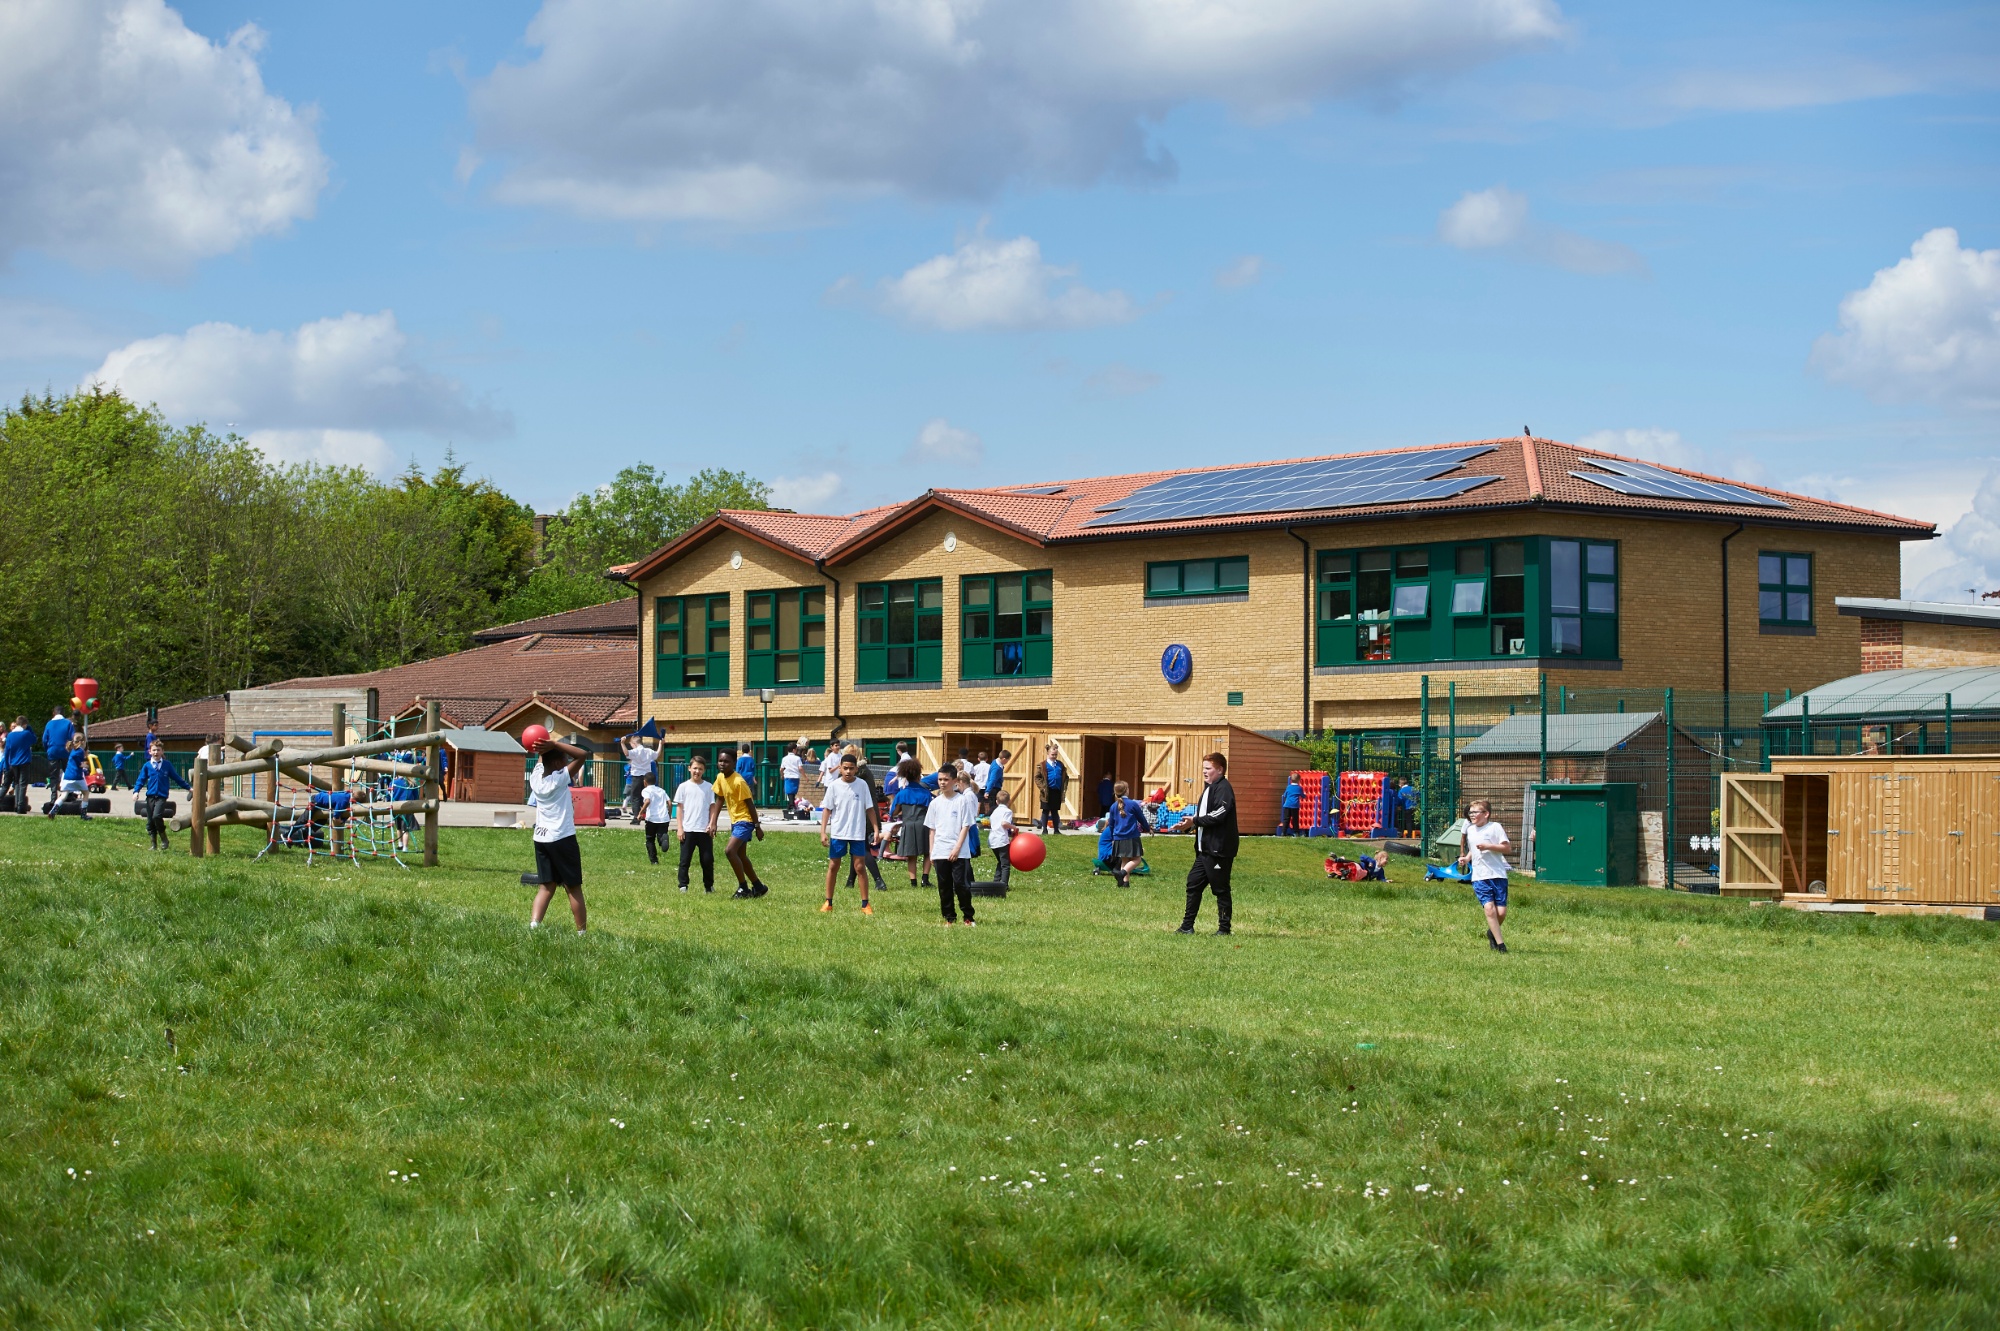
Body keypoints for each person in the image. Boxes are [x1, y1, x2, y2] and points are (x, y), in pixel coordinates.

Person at [522, 733, 590, 933]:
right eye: (565, 760)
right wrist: (552, 743)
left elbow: (544, 760)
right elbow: (583, 755)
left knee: (546, 886)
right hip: (562, 837)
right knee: (573, 887)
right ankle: (581, 933)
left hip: (541, 838)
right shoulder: (560, 779)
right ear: (560, 763)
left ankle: (534, 926)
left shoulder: (536, 778)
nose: (568, 762)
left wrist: (543, 748)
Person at [1177, 752, 1238, 936]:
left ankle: (1224, 929)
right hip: (1204, 851)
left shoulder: (1224, 788)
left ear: (1220, 770)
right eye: (1203, 768)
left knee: (1220, 889)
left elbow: (1219, 814)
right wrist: (1189, 825)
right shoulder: (1209, 788)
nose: (1204, 772)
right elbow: (1204, 818)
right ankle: (1187, 926)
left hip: (1219, 850)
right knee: (1193, 884)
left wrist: (1194, 820)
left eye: (1208, 768)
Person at [819, 751, 880, 914]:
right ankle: (828, 901)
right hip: (839, 833)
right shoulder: (833, 786)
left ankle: (865, 904)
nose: (848, 771)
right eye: (845, 768)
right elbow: (827, 810)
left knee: (860, 867)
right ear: (839, 768)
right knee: (834, 865)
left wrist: (876, 829)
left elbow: (870, 809)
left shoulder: (862, 785)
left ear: (855, 769)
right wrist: (823, 831)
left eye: (851, 768)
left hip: (857, 834)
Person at [1457, 799, 1513, 952]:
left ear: (1486, 814)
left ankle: (1492, 932)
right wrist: (1467, 858)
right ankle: (1501, 945)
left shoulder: (1495, 827)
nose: (1472, 815)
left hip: (1498, 875)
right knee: (1489, 909)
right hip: (1480, 876)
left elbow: (1507, 848)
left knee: (1500, 912)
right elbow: (1474, 850)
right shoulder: (1470, 830)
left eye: (1475, 812)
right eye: (1471, 812)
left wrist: (1489, 846)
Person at [924, 766, 977, 926]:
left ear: (955, 781)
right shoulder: (935, 803)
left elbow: (965, 826)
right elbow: (932, 830)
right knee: (944, 886)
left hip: (958, 852)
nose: (942, 782)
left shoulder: (961, 801)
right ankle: (949, 917)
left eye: (946, 779)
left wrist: (957, 848)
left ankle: (968, 916)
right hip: (940, 850)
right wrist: (932, 851)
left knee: (961, 885)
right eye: (940, 779)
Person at [715, 746, 769, 899]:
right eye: (720, 761)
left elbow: (750, 805)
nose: (722, 764)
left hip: (745, 821)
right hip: (735, 821)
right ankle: (758, 886)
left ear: (734, 763)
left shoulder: (739, 781)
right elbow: (719, 799)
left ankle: (743, 888)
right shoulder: (720, 777)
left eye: (726, 761)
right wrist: (713, 822)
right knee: (741, 855)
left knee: (729, 851)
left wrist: (757, 826)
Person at [133, 740, 189, 850]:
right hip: (150, 796)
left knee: (157, 816)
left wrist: (188, 787)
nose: (156, 752)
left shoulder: (167, 765)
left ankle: (164, 839)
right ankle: (153, 844)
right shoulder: (147, 766)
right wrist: (136, 791)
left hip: (162, 796)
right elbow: (141, 779)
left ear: (162, 751)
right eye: (154, 750)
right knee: (150, 821)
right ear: (149, 752)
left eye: (158, 750)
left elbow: (177, 778)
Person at [674, 754, 718, 892]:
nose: (697, 771)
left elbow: (712, 807)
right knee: (684, 860)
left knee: (707, 860)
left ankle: (708, 886)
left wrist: (712, 824)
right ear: (689, 769)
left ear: (704, 770)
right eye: (694, 768)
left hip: (704, 830)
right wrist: (680, 828)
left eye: (700, 769)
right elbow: (679, 809)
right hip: (688, 829)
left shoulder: (709, 787)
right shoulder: (683, 787)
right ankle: (683, 885)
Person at [888, 757, 933, 888]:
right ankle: (925, 879)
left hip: (908, 825)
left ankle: (913, 882)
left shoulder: (902, 794)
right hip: (924, 825)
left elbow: (894, 813)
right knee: (928, 853)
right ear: (919, 775)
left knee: (911, 855)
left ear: (905, 776)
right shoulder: (926, 793)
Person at [1106, 781, 1149, 887]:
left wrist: (1112, 838)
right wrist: (1148, 829)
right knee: (1136, 859)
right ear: (1126, 790)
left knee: (1124, 859)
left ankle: (1124, 883)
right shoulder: (1133, 804)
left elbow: (1111, 824)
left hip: (1118, 837)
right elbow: (1141, 819)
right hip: (1131, 836)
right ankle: (1122, 873)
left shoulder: (1113, 806)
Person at [977, 793, 1017, 893]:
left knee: (1000, 862)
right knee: (1005, 864)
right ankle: (1004, 885)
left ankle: (996, 882)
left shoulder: (994, 811)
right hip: (1001, 840)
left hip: (993, 840)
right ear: (1008, 802)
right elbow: (1004, 823)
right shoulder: (1007, 811)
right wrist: (1014, 827)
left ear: (996, 801)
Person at [46, 736, 93, 819]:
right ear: (82, 742)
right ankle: (83, 814)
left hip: (67, 776)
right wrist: (86, 766)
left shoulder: (72, 751)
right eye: (85, 742)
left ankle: (53, 810)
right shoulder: (80, 751)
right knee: (86, 793)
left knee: (64, 795)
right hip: (77, 777)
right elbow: (80, 764)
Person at [638, 774, 673, 865]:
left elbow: (647, 801)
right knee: (661, 835)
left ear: (645, 782)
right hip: (664, 818)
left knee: (650, 839)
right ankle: (663, 839)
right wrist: (669, 815)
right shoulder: (661, 790)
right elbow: (669, 803)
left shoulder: (646, 790)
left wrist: (640, 812)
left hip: (652, 818)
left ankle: (654, 861)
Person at [621, 734, 657, 821]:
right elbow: (657, 755)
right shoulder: (648, 751)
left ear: (634, 743)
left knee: (636, 797)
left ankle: (636, 817)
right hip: (647, 776)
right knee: (646, 796)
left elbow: (626, 753)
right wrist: (661, 744)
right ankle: (649, 814)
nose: (631, 747)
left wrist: (622, 743)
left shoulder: (635, 751)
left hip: (636, 776)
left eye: (631, 745)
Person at [41, 707, 74, 794]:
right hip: (65, 751)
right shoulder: (68, 723)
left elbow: (44, 739)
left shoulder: (49, 724)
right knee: (68, 772)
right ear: (63, 713)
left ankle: (53, 796)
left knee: (53, 775)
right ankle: (69, 793)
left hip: (52, 750)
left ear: (53, 713)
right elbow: (72, 738)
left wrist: (47, 749)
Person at [2, 717, 32, 813]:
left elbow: (7, 751)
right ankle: (20, 806)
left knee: (17, 783)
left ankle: (18, 805)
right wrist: (29, 729)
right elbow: (34, 739)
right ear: (24, 724)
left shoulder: (10, 735)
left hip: (13, 762)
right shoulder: (26, 733)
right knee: (22, 784)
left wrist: (6, 764)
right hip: (24, 761)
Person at [1040, 744, 1067, 834]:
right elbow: (1037, 777)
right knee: (1045, 810)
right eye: (1052, 754)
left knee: (1055, 811)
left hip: (1056, 791)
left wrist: (1063, 787)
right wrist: (1042, 787)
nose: (1054, 756)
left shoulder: (1060, 765)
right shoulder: (1043, 765)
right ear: (1048, 754)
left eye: (1056, 755)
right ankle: (1044, 829)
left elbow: (1065, 776)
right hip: (1047, 792)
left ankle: (1056, 830)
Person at [780, 744, 805, 818]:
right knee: (793, 791)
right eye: (796, 749)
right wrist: (805, 776)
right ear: (794, 750)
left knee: (789, 791)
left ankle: (790, 805)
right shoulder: (797, 758)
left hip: (787, 776)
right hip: (795, 776)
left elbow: (781, 769)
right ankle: (792, 805)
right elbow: (800, 768)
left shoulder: (784, 758)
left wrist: (782, 775)